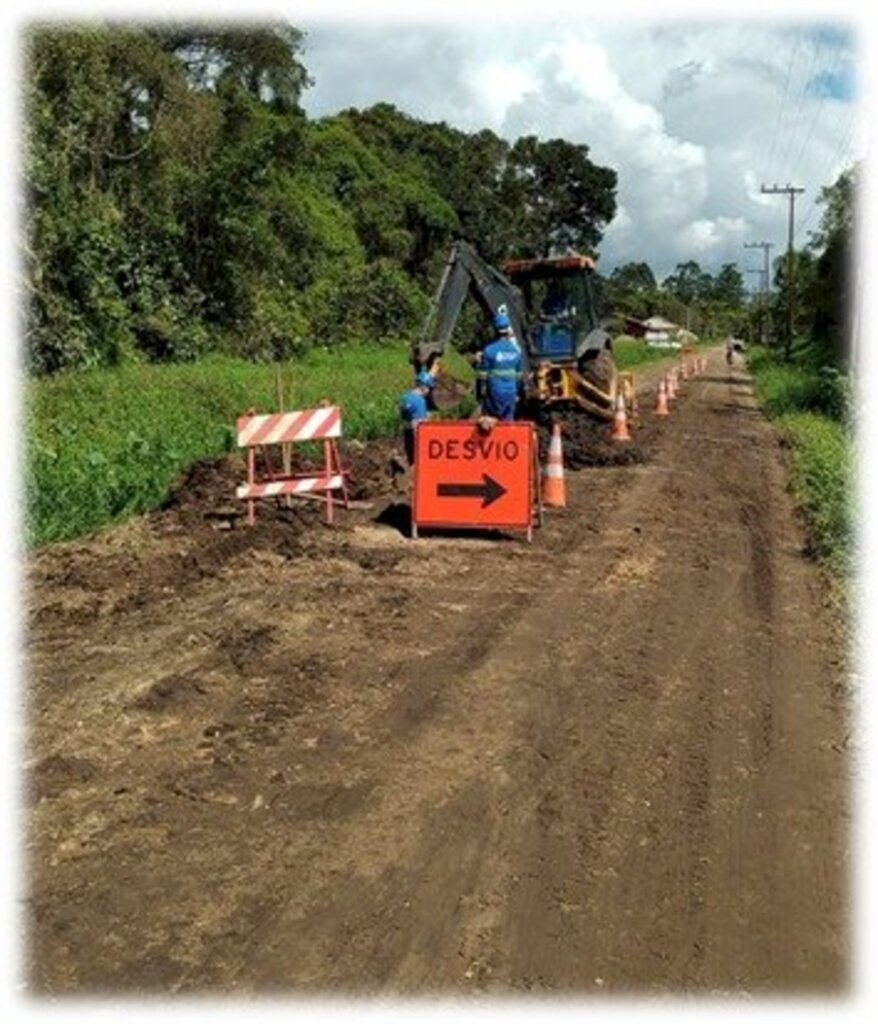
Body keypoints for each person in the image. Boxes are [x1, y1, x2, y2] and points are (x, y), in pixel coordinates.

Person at [478, 312, 523, 421]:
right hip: (511, 394)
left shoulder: (489, 350)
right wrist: (517, 393)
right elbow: (519, 376)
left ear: (494, 330)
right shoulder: (516, 351)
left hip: (494, 394)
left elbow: (482, 376)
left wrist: (480, 394)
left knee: (489, 423)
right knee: (508, 422)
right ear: (508, 330)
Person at [398, 370, 435, 465]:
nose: (429, 392)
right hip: (415, 438)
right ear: (424, 386)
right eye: (429, 388)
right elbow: (419, 427)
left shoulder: (404, 397)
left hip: (405, 435)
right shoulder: (420, 401)